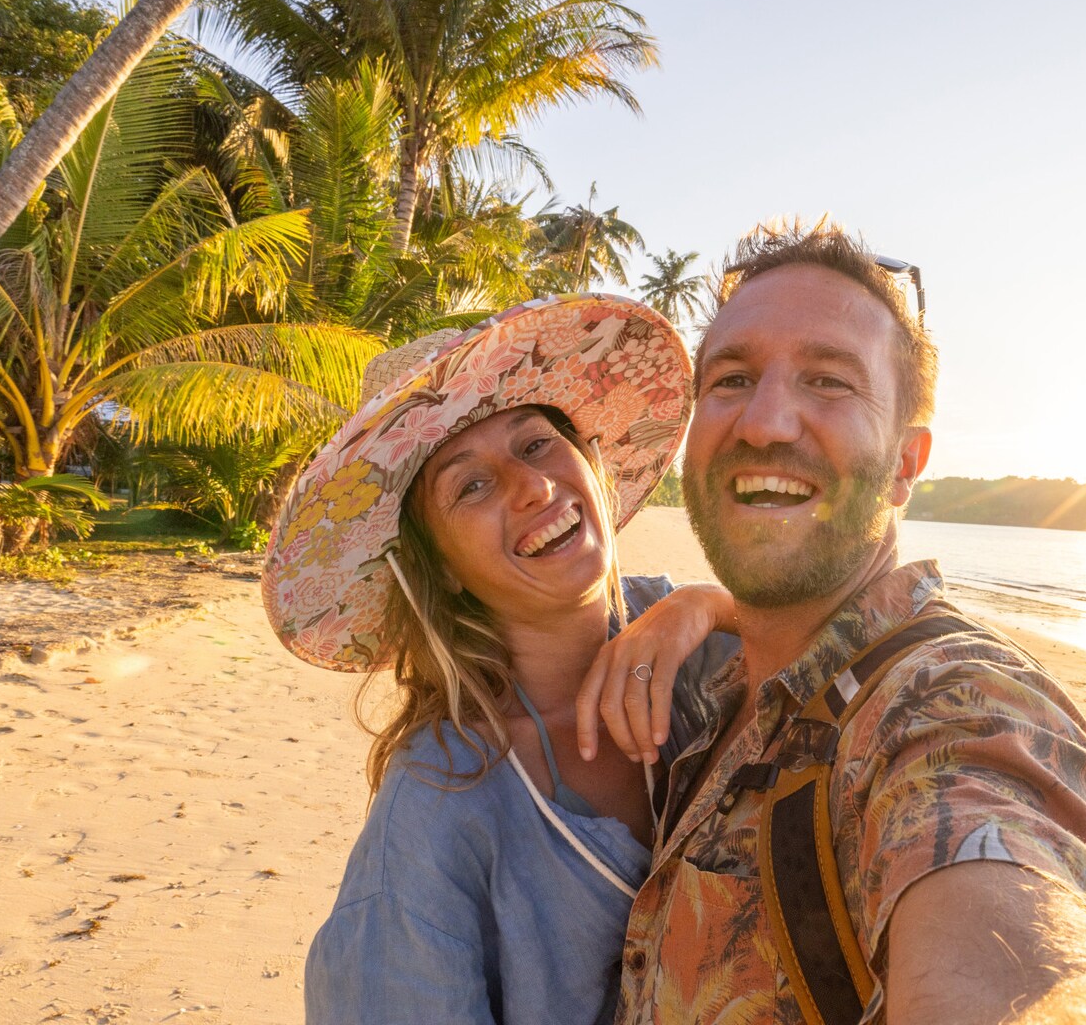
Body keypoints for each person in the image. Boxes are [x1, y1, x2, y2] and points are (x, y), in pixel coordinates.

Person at [604, 222, 1086, 1024]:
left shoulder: (951, 704)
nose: (765, 422)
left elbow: (1013, 957)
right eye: (731, 378)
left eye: (828, 381)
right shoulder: (726, 686)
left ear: (905, 466)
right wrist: (698, 607)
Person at [261, 295, 738, 1025]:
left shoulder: (693, 641)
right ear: (442, 566)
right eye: (471, 485)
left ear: (593, 463)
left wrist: (708, 605)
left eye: (537, 443)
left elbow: (863, 638)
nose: (532, 486)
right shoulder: (439, 805)